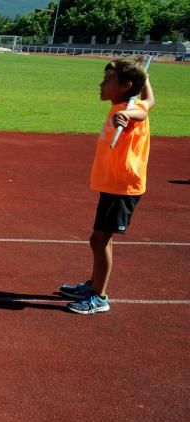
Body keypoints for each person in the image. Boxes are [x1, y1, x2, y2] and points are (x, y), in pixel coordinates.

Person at [60, 58, 154, 315]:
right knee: (102, 238)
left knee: (99, 240)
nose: (101, 85)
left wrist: (126, 114)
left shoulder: (129, 111)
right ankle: (94, 285)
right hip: (114, 184)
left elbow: (143, 111)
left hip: (122, 186)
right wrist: (145, 77)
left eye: (107, 81)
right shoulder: (127, 101)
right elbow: (150, 101)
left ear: (126, 85)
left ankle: (99, 296)